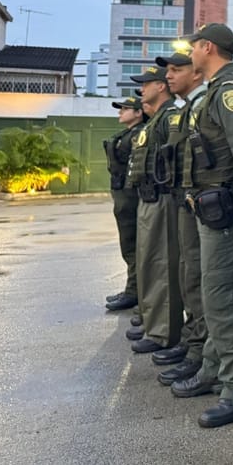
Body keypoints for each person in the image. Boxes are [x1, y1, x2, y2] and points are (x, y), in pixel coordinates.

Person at [171, 22, 233, 429]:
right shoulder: (216, 90)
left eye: (193, 46)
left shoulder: (230, 92)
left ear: (208, 47)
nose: (190, 53)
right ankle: (215, 370)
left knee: (227, 300)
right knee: (217, 299)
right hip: (214, 209)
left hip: (231, 209)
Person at [153, 49, 209, 385]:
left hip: (204, 204)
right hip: (184, 201)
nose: (168, 76)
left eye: (176, 69)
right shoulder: (187, 109)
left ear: (196, 72)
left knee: (198, 278)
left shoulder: (205, 104)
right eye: (168, 71)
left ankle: (200, 349)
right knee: (187, 274)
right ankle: (193, 341)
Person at [126, 65, 184, 357]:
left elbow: (175, 159)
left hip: (162, 199)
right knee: (149, 263)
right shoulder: (156, 119)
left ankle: (164, 332)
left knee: (161, 265)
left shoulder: (170, 117)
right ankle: (153, 322)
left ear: (161, 86)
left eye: (146, 83)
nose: (142, 89)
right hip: (148, 198)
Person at [103, 95, 145, 312]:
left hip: (131, 197)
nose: (121, 111)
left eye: (126, 108)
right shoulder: (129, 134)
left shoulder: (140, 134)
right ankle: (132, 289)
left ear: (138, 113)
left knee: (133, 246)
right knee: (128, 246)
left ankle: (134, 291)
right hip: (123, 195)